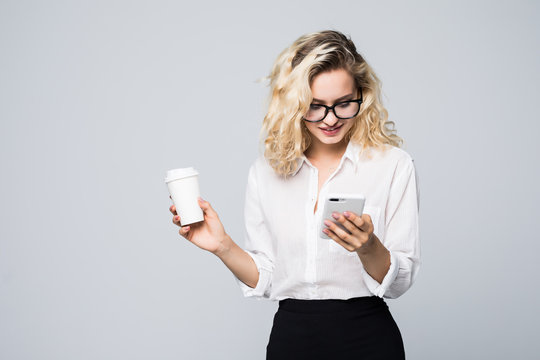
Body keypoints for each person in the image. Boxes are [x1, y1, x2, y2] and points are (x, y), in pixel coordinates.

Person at [169, 30, 420, 359]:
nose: (330, 119)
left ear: (362, 95)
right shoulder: (265, 171)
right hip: (292, 340)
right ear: (293, 104)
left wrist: (368, 246)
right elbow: (269, 279)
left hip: (367, 338)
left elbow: (400, 282)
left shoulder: (392, 166)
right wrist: (223, 246)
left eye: (344, 104)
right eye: (315, 107)